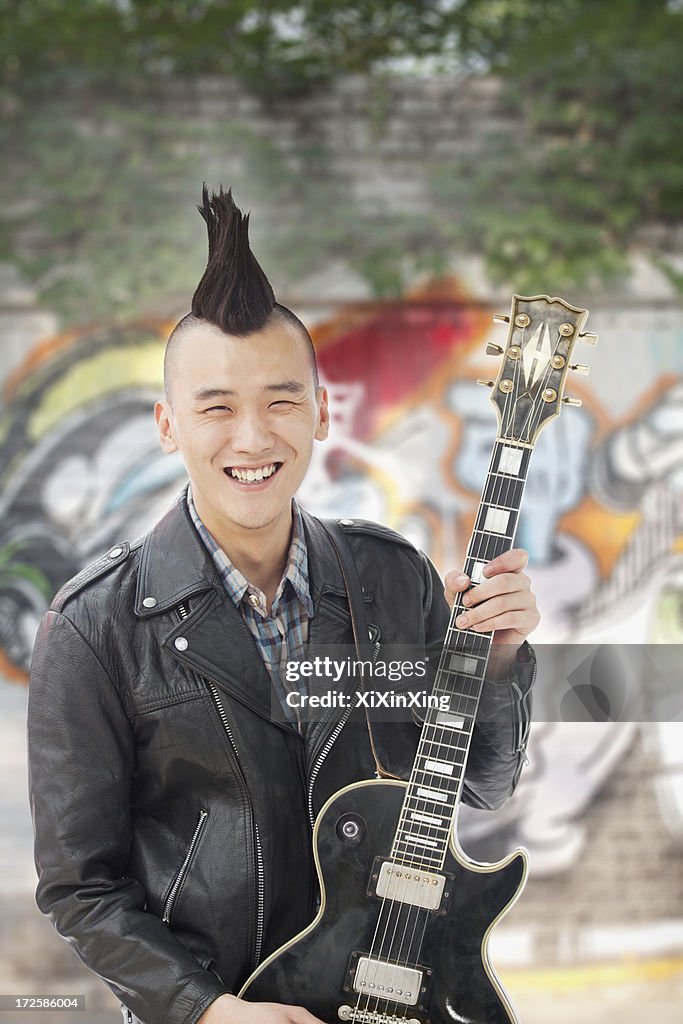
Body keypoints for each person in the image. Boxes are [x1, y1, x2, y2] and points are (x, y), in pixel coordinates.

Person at [28, 186, 540, 1024]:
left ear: (321, 410)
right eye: (216, 408)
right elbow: (80, 888)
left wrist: (500, 662)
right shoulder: (94, 629)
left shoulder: (391, 579)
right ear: (167, 425)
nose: (253, 438)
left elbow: (479, 787)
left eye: (280, 400)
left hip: (400, 998)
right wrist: (209, 1010)